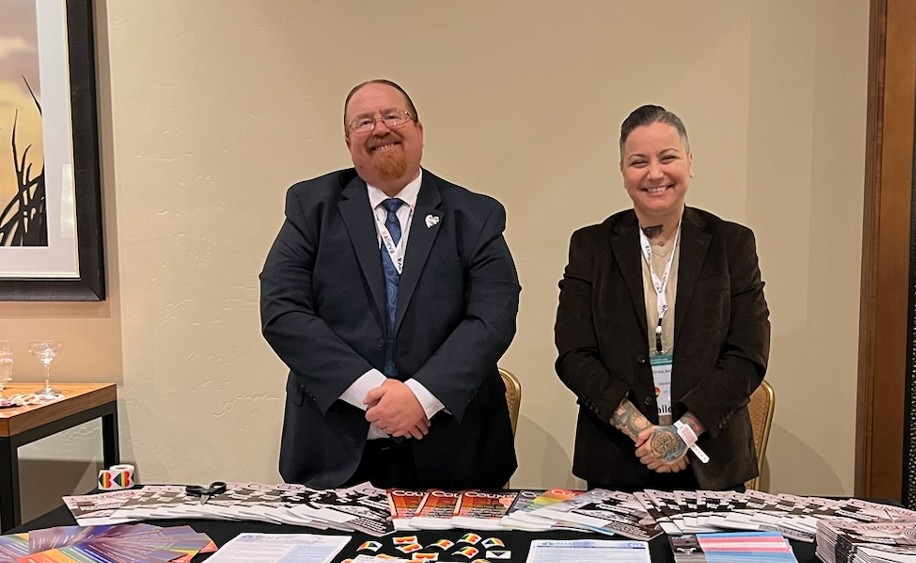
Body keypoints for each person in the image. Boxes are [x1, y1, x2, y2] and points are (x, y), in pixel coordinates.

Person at [260, 79, 520, 490]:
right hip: (335, 456)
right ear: (349, 143)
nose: (380, 128)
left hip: (457, 456)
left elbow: (493, 317)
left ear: (419, 130)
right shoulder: (312, 207)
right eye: (363, 122)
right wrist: (375, 392)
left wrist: (420, 396)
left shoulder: (475, 215)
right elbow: (283, 311)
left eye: (392, 115)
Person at [554, 105, 770, 492]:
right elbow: (574, 354)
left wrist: (682, 433)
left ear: (689, 163)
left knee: (706, 557)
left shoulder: (732, 244)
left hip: (711, 462)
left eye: (667, 157)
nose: (655, 173)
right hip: (617, 460)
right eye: (639, 161)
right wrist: (644, 433)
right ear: (623, 172)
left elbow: (748, 354)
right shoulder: (591, 246)